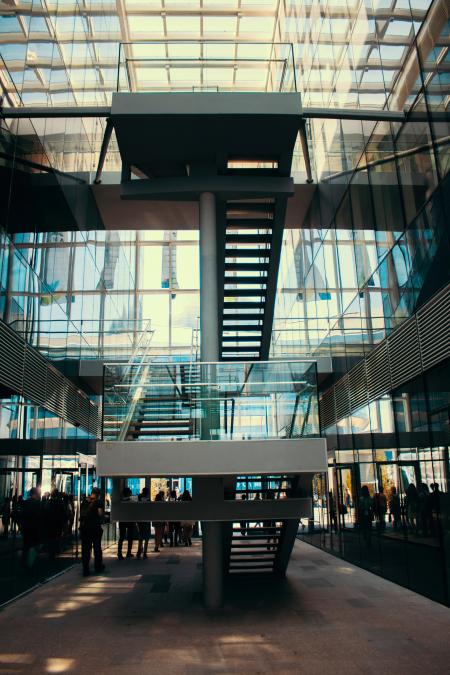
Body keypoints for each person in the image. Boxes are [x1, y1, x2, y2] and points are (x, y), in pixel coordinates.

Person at [79, 487, 105, 577]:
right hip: (95, 528)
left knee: (86, 549)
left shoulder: (85, 501)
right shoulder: (98, 502)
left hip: (85, 529)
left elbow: (81, 514)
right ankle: (98, 566)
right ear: (98, 494)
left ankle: (85, 569)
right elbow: (100, 514)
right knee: (97, 548)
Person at [21, 487, 43, 572]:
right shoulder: (38, 504)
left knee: (26, 546)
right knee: (34, 546)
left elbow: (23, 515)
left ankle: (25, 563)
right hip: (34, 528)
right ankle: (31, 565)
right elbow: (40, 517)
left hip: (27, 528)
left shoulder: (25, 503)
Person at [118, 486, 136, 560]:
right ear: (129, 493)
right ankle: (128, 552)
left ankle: (119, 553)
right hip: (130, 521)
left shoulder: (120, 502)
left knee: (121, 537)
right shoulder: (132, 502)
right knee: (130, 537)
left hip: (122, 521)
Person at [136, 487, 151, 559]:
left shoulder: (138, 498)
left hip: (140, 519)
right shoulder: (148, 500)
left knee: (141, 536)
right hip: (146, 519)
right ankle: (144, 552)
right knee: (147, 537)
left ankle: (139, 551)